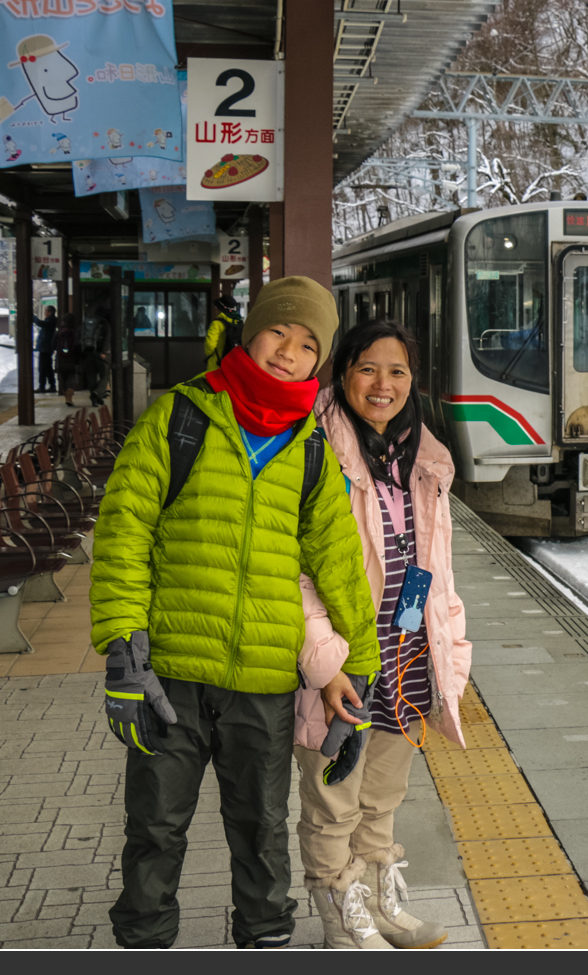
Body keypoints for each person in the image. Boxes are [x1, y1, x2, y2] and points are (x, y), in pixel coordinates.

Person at [89, 275, 381, 950]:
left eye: (309, 344)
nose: (289, 351)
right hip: (171, 677)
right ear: (252, 332)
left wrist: (359, 672)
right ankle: (143, 940)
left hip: (264, 683)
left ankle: (265, 939)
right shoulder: (182, 415)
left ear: (320, 361)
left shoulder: (311, 447)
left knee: (261, 831)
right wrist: (124, 646)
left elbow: (340, 563)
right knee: (155, 826)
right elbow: (124, 527)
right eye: (279, 330)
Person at [293, 319, 471, 950]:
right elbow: (293, 573)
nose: (383, 385)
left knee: (383, 796)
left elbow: (439, 568)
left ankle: (381, 908)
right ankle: (343, 923)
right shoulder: (311, 450)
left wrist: (452, 651)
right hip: (344, 666)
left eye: (398, 372)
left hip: (409, 658)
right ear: (342, 375)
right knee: (333, 801)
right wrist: (324, 662)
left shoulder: (422, 459)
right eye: (368, 368)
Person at [206, 293, 245, 373]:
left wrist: (210, 356)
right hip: (234, 363)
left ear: (219, 309)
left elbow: (210, 344)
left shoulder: (217, 323)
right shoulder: (239, 322)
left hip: (217, 363)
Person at [56, 313, 82, 407]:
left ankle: (66, 398)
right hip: (71, 358)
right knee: (71, 378)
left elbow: (52, 344)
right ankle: (69, 399)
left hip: (60, 359)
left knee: (63, 378)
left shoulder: (59, 331)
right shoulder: (75, 331)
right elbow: (78, 346)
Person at [34, 306, 59, 393]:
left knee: (43, 368)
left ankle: (42, 386)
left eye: (46, 311)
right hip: (46, 348)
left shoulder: (51, 321)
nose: (45, 313)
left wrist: (33, 317)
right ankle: (52, 386)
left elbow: (40, 323)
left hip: (46, 348)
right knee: (48, 368)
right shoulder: (52, 321)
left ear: (50, 312)